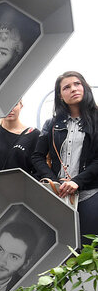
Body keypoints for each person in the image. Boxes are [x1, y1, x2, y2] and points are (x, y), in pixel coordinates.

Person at [32, 71, 98, 247]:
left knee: (88, 248)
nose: (73, 89)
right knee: (58, 245)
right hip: (58, 195)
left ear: (84, 87)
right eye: (66, 87)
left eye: (77, 84)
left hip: (89, 193)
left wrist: (77, 181)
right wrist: (54, 183)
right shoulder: (51, 124)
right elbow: (37, 157)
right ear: (60, 96)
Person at [0, 101, 39, 182]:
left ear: (21, 106)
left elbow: (38, 170)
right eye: (5, 104)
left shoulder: (33, 135)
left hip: (24, 190)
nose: (10, 109)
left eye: (15, 104)